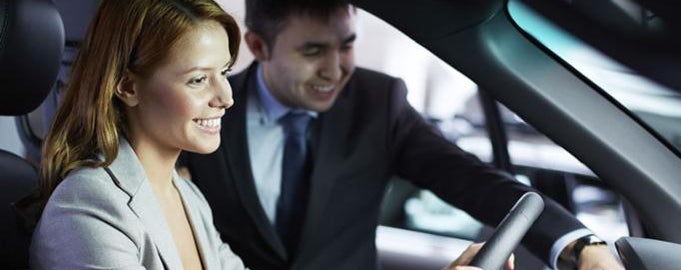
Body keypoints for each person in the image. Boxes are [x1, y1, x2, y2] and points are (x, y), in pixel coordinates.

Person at [178, 1, 624, 270]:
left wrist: (582, 244)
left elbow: (476, 181)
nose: (335, 71)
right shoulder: (204, 109)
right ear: (257, 46)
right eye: (313, 51)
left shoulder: (378, 102)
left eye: (346, 45)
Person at [29, 0, 247, 269]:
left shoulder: (188, 195)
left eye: (224, 72)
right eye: (198, 80)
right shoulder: (86, 206)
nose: (226, 98)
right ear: (128, 87)